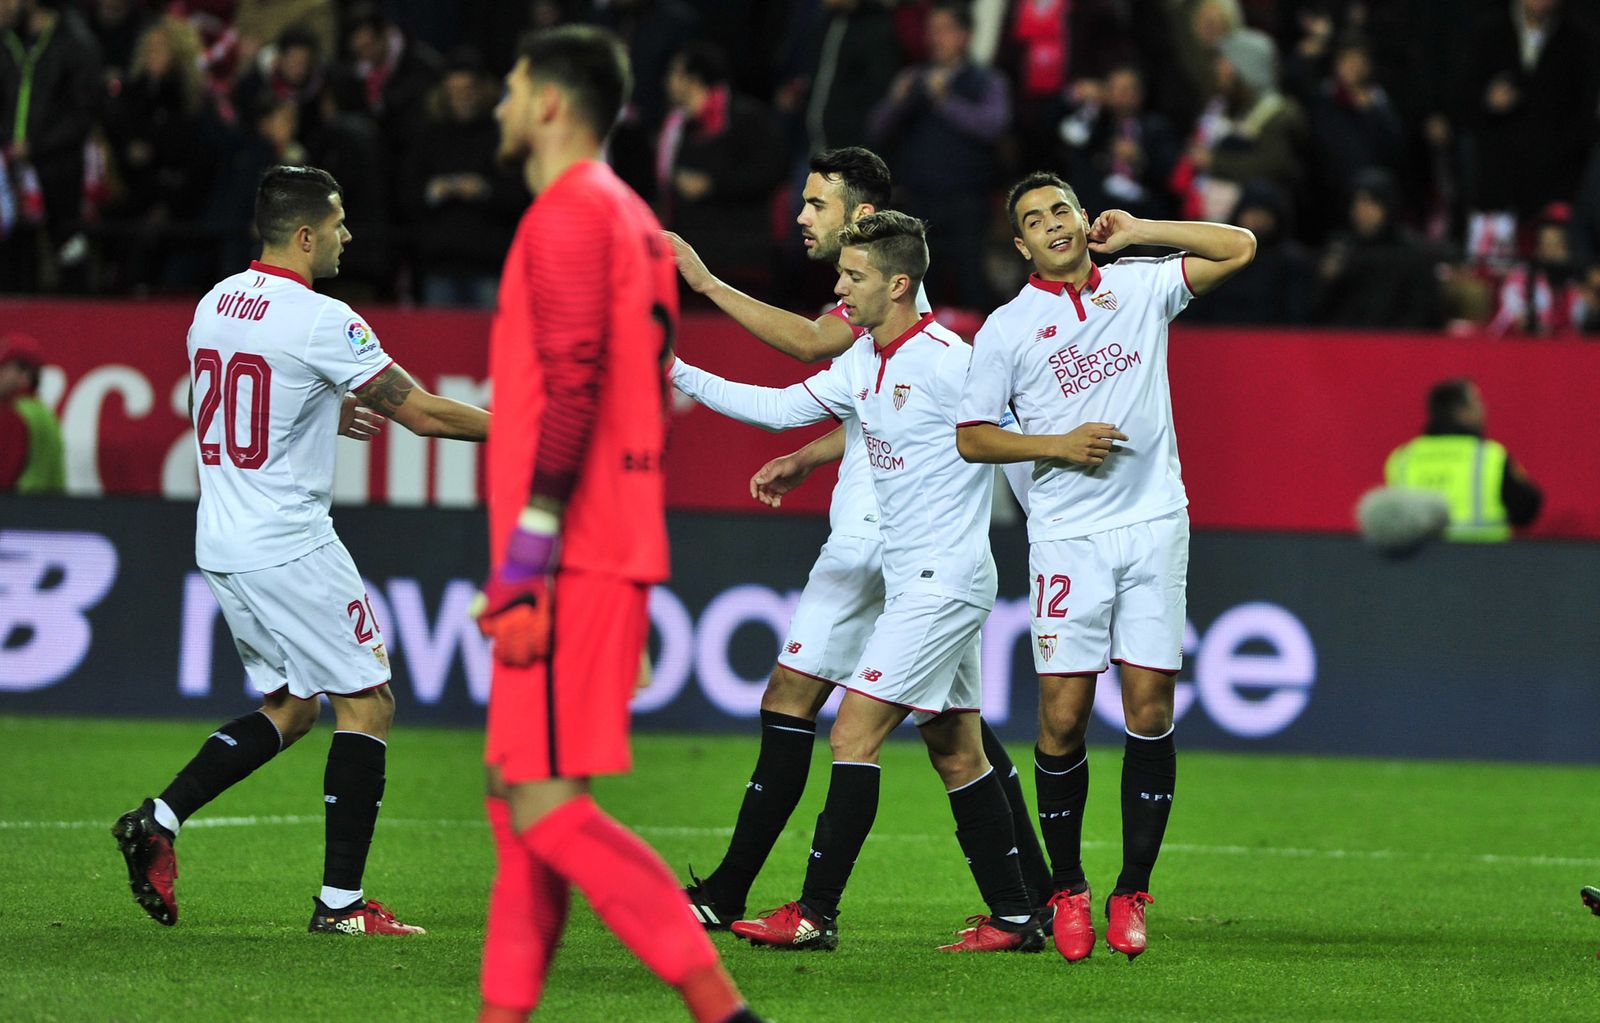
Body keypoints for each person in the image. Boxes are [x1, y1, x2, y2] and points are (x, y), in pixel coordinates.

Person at [664, 146, 1051, 933]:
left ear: (888, 273)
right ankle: (1020, 909)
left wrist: (1061, 514)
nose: (837, 292)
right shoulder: (870, 360)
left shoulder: (948, 360)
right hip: (916, 573)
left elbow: (1004, 433)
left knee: (850, 726)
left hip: (940, 574)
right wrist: (673, 370)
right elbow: (782, 406)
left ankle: (814, 913)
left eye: (850, 277)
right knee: (956, 745)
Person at [111, 164, 491, 936]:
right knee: (369, 702)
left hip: (221, 536)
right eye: (341, 221)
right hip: (288, 539)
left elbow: (238, 401)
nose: (350, 234)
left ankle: (158, 818)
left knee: (291, 707)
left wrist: (324, 412)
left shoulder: (214, 301)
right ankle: (341, 906)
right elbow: (422, 415)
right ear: (307, 233)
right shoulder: (324, 318)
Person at [470, 26, 762, 1023]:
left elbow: (576, 384)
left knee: (546, 807)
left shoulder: (567, 214)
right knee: (518, 808)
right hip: (604, 543)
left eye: (513, 85)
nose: (503, 103)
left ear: (551, 102)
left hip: (568, 554)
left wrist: (528, 549)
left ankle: (724, 1011)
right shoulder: (634, 220)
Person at [956, 171, 1255, 960]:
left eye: (1062, 209)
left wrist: (1145, 229)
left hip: (1155, 523)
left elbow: (1240, 246)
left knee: (1150, 708)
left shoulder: (1141, 287)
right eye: (1034, 219)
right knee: (1061, 716)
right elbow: (974, 437)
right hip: (1067, 537)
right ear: (1020, 244)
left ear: (1086, 219)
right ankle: (1068, 888)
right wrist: (1056, 444)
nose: (1053, 223)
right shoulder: (1008, 329)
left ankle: (1132, 889)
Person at [1383, 378, 1542, 542]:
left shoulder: (1402, 458)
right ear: (1461, 412)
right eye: (1477, 402)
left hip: (1418, 560)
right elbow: (1526, 509)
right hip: (1482, 558)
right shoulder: (1490, 457)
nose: (1484, 408)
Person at [0, 332, 64, 493]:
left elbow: (4, 477)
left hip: (16, 511)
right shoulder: (44, 413)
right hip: (52, 511)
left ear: (25, 374)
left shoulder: (12, 414)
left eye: (2, 368)